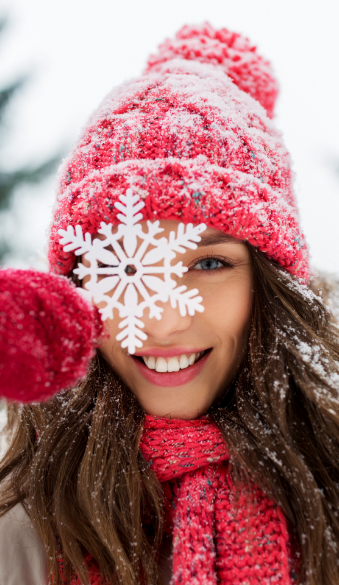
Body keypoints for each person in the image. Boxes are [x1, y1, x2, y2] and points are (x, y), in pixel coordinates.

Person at [0, 22, 339, 585]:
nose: (160, 320)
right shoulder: (24, 535)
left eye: (207, 263)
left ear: (269, 284)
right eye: (122, 265)